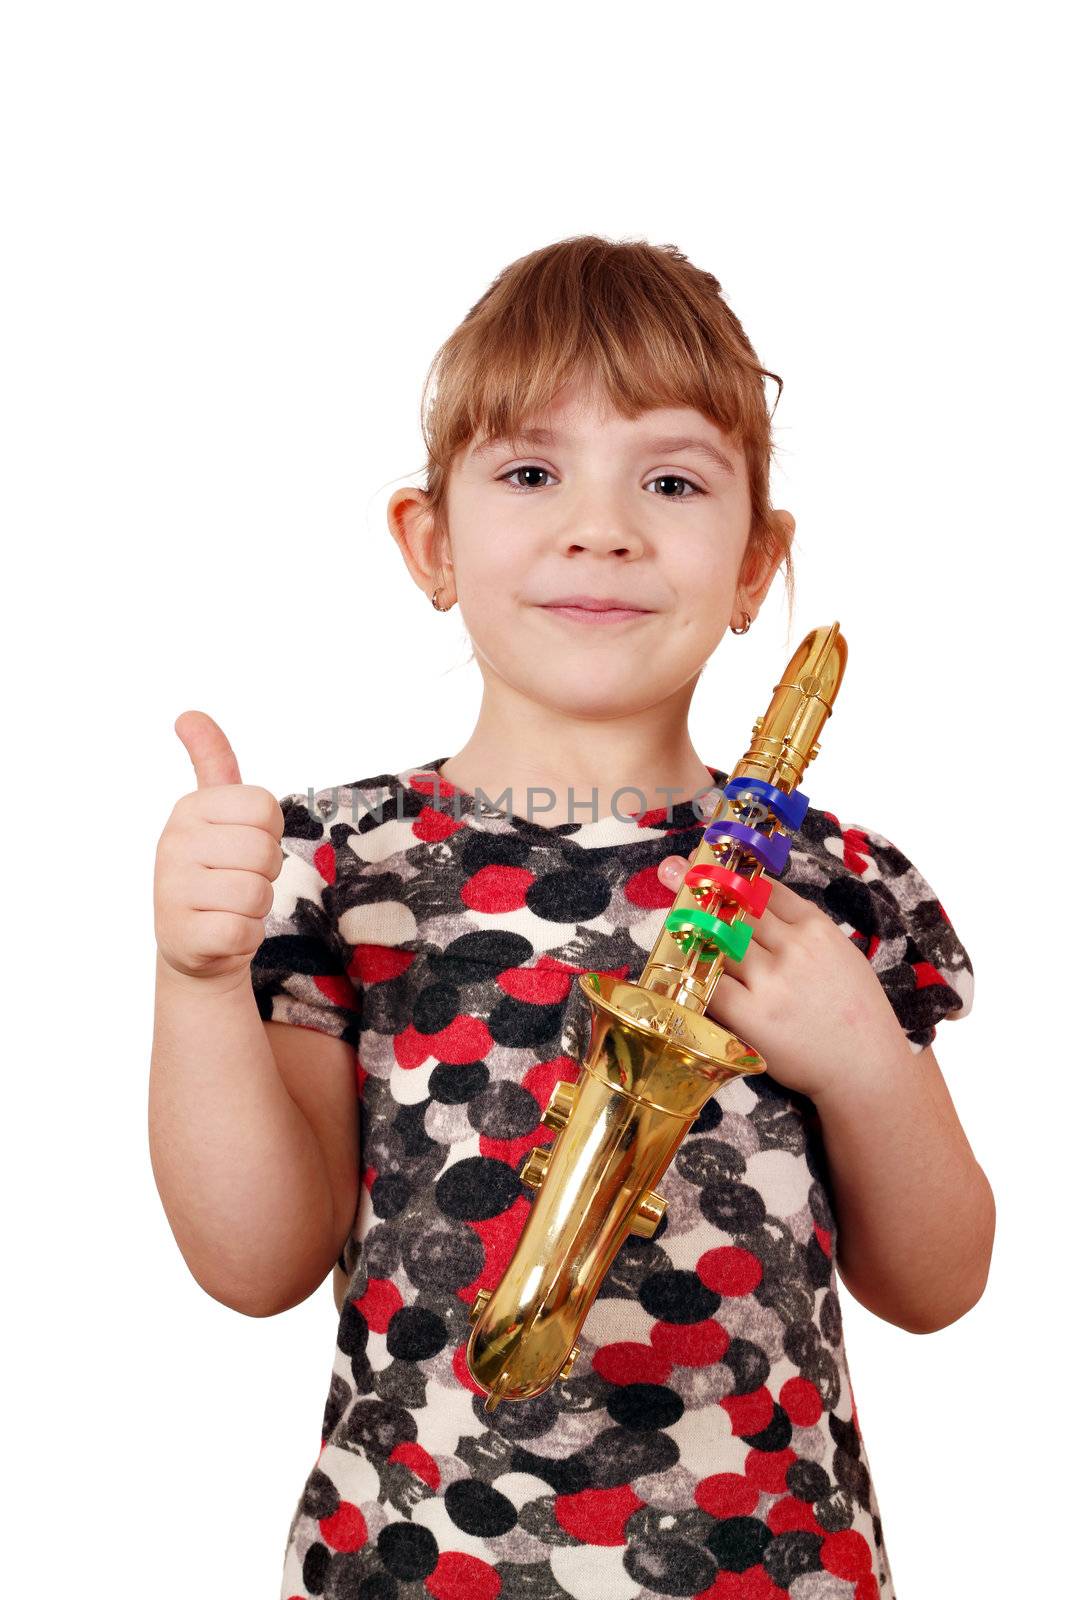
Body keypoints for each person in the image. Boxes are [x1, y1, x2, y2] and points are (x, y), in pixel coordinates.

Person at [149, 236, 992, 1600]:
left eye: (670, 481)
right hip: (413, 1564)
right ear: (432, 543)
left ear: (751, 569)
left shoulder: (836, 882)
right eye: (532, 473)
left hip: (774, 1568)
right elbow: (253, 1264)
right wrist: (196, 979)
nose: (600, 526)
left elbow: (940, 1282)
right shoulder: (335, 867)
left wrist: (861, 1054)